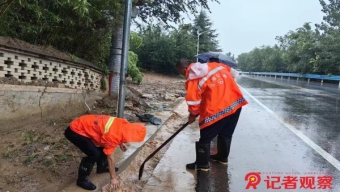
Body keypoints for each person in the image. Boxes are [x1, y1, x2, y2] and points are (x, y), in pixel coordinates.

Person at [176, 58, 248, 171]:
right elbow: (234, 74)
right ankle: (222, 158)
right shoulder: (218, 65)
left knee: (205, 136)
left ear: (185, 68)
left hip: (218, 108)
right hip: (235, 104)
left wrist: (192, 115)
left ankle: (202, 164)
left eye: (181, 72)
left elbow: (193, 99)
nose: (183, 74)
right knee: (226, 134)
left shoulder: (194, 75)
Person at [64, 115, 146, 190]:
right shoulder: (112, 136)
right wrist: (113, 178)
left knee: (104, 147)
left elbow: (118, 132)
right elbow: (110, 158)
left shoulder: (123, 123)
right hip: (75, 131)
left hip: (84, 123)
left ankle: (101, 167)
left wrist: (121, 142)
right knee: (94, 154)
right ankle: (81, 180)